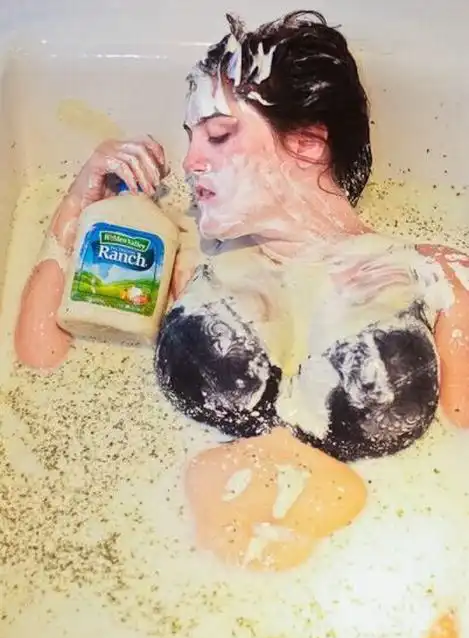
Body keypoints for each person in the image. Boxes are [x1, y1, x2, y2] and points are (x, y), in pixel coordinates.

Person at [14, 10, 469, 463]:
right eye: (191, 138)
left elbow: (462, 426)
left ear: (307, 143)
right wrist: (79, 198)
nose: (190, 162)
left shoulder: (437, 275)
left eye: (217, 135)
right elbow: (42, 357)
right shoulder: (176, 248)